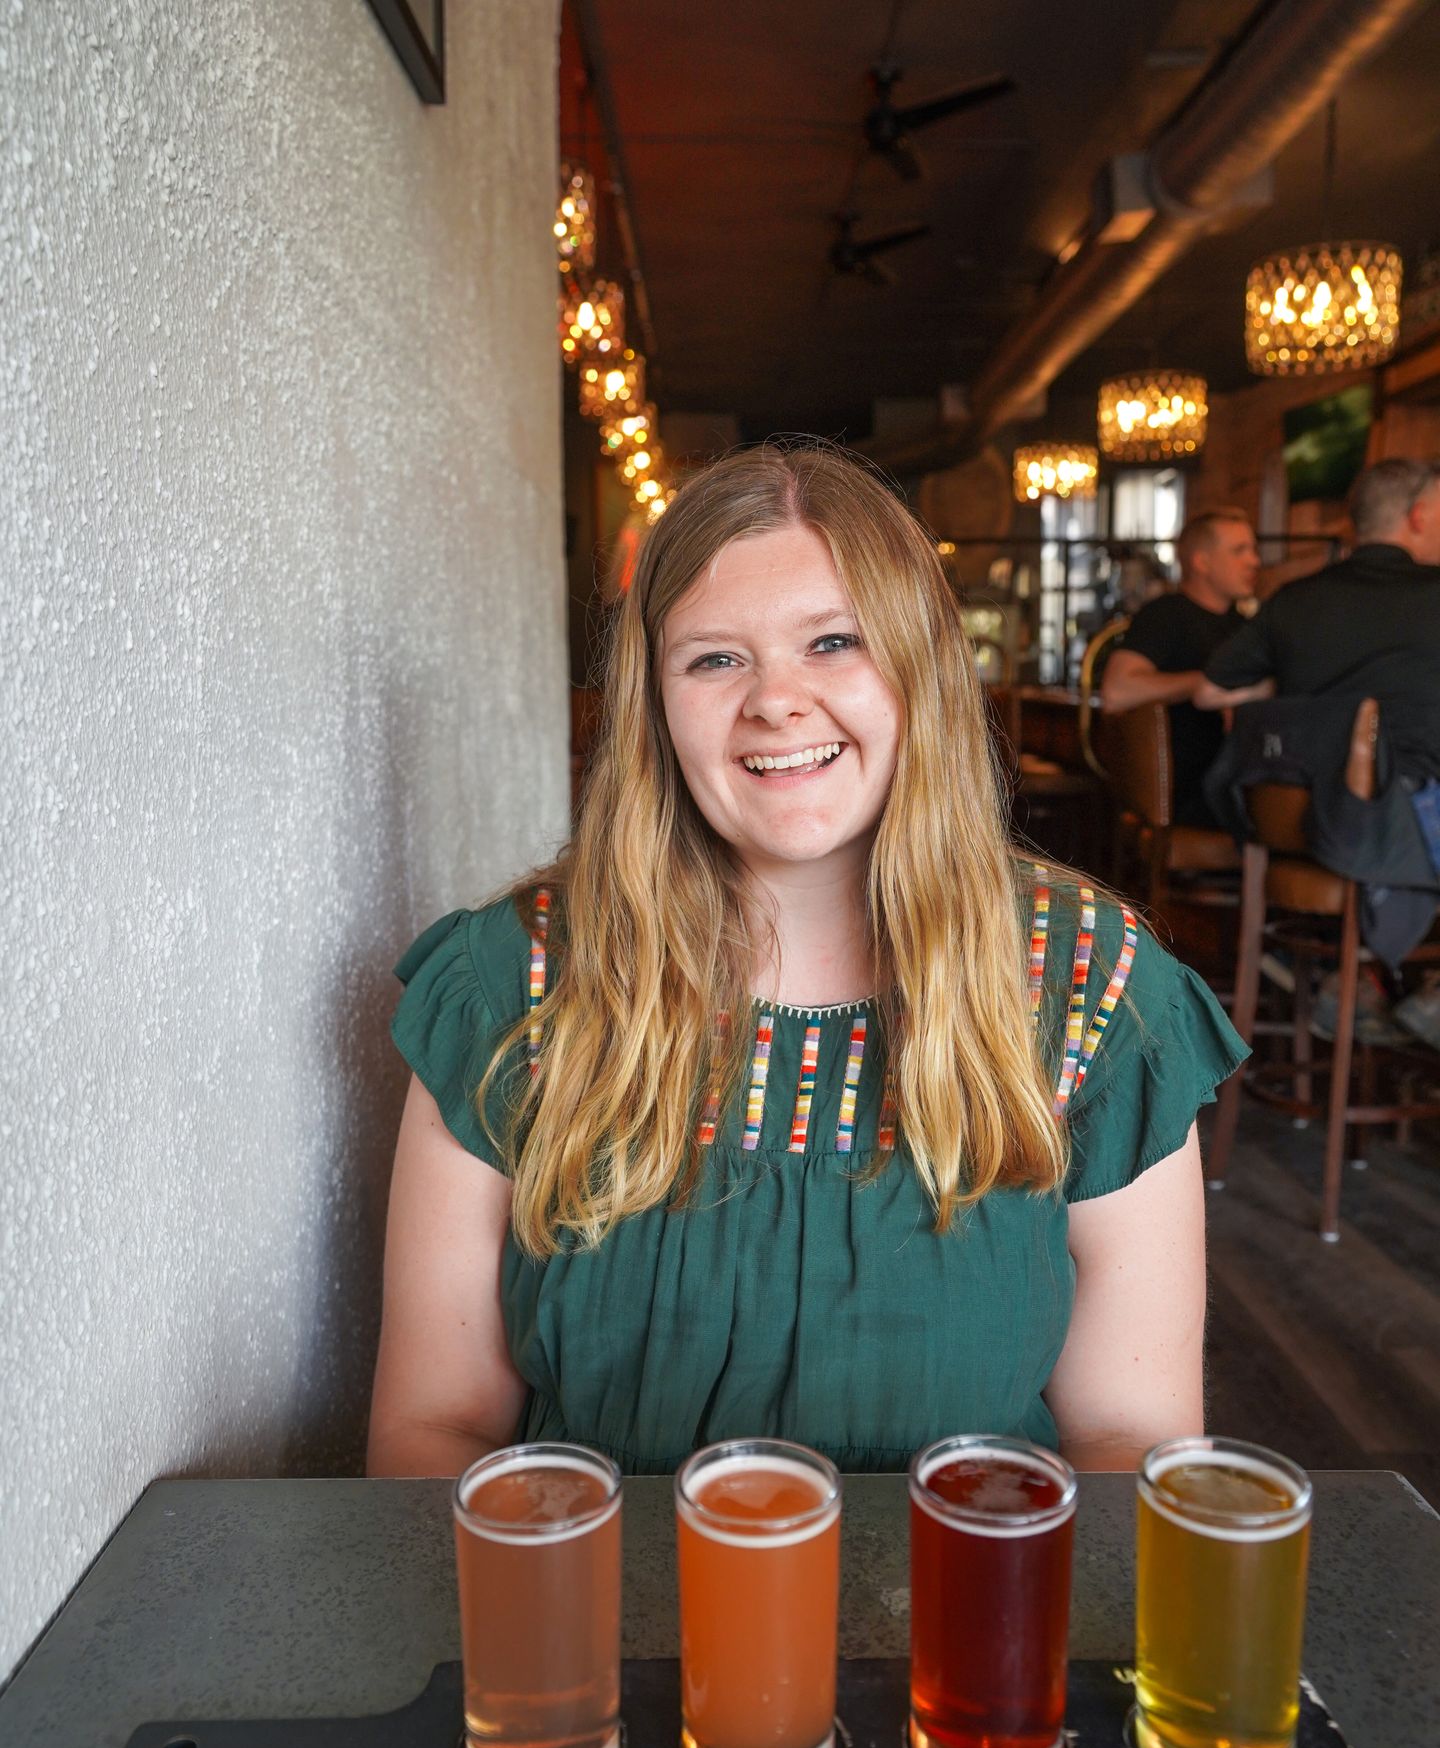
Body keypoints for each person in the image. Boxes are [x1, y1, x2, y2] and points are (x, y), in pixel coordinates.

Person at [367, 446, 1245, 1483]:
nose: (777, 702)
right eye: (714, 659)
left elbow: (1124, 1436)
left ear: (920, 664)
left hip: (967, 1625)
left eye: (833, 642)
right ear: (653, 704)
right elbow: (434, 1429)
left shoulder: (1090, 982)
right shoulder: (512, 979)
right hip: (603, 1627)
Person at [1197, 459, 1440, 1045]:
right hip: (1388, 820)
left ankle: (1356, 976)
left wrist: (1274, 691)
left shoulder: (1295, 600)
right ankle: (1414, 989)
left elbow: (1211, 689)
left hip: (1297, 829)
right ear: (1419, 517)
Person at [1099, 509, 1259, 827]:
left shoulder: (1246, 627)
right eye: (1239, 551)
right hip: (1192, 795)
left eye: (1253, 550)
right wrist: (1206, 684)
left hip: (1239, 779)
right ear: (1201, 562)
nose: (1254, 561)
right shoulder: (1167, 616)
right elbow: (1115, 691)